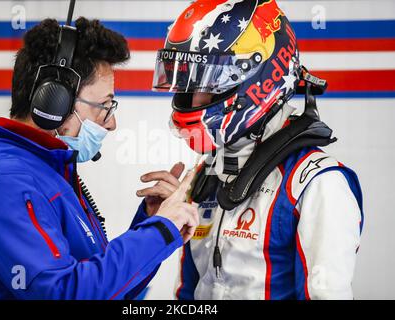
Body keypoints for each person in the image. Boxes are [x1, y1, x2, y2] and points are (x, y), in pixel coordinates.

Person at [0, 17, 199, 300]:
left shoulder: (43, 171)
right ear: (53, 101)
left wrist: (150, 223)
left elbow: (104, 289)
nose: (111, 122)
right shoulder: (5, 184)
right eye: (104, 106)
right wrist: (158, 232)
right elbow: (65, 294)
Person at [139, 0, 364, 299]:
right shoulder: (205, 173)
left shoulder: (318, 182)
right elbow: (189, 294)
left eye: (206, 81)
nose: (191, 99)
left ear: (260, 78)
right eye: (186, 83)